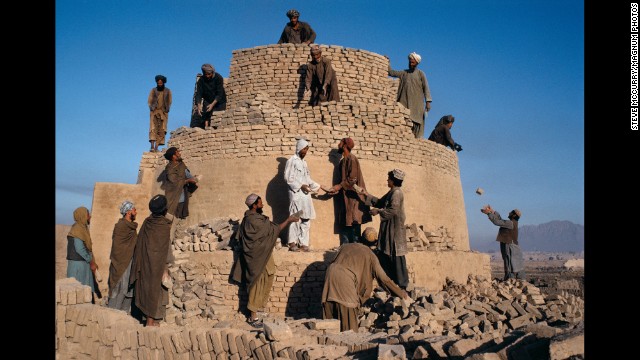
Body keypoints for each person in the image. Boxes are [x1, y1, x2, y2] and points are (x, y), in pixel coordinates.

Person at [321, 230, 412, 332]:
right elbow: (383, 279)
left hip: (329, 277)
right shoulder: (370, 255)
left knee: (329, 328)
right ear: (374, 244)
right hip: (346, 283)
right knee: (349, 332)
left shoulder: (345, 246)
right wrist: (400, 293)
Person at [231, 194, 300, 327]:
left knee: (270, 273)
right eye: (260, 203)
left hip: (264, 253)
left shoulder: (255, 219)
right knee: (257, 282)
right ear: (255, 205)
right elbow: (276, 229)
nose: (262, 205)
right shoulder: (253, 220)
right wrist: (289, 220)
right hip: (256, 257)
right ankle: (253, 316)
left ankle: (259, 308)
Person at [129, 195, 174, 327]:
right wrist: (165, 267)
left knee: (147, 291)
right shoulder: (164, 226)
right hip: (157, 267)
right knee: (155, 294)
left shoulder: (147, 223)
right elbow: (165, 250)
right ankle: (151, 324)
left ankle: (148, 321)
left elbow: (141, 244)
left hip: (146, 266)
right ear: (165, 210)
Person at [361, 169, 409, 289]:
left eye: (389, 179)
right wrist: (366, 194)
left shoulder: (397, 193)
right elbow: (380, 202)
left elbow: (393, 210)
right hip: (389, 228)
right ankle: (391, 283)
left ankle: (402, 285)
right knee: (387, 253)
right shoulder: (392, 192)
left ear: (393, 181)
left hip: (395, 229)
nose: (387, 180)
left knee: (397, 254)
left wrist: (378, 211)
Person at [284, 138, 326, 252]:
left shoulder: (304, 163)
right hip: (296, 194)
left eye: (307, 149)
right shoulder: (291, 161)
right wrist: (301, 186)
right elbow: (288, 179)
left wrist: (320, 186)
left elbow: (307, 179)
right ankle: (292, 243)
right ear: (299, 148)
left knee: (306, 218)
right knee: (295, 218)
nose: (305, 152)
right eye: (304, 149)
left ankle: (303, 243)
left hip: (305, 196)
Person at [328, 137, 371, 244]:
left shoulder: (352, 159)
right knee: (346, 222)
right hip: (346, 197)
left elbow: (352, 179)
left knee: (354, 222)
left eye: (340, 143)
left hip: (354, 197)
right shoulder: (343, 161)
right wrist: (337, 189)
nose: (338, 144)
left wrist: (338, 186)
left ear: (344, 146)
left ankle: (356, 250)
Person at [387, 52, 432, 138]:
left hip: (417, 106)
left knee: (416, 124)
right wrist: (387, 62)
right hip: (405, 103)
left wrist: (428, 102)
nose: (410, 64)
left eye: (412, 62)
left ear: (417, 63)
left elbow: (426, 87)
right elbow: (391, 72)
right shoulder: (404, 73)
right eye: (410, 62)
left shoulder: (420, 74)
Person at [107, 200, 138, 312]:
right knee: (119, 288)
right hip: (121, 263)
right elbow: (117, 247)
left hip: (129, 261)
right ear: (129, 212)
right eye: (134, 209)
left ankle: (123, 314)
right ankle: (113, 313)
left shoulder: (131, 227)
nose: (136, 212)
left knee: (127, 289)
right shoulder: (121, 226)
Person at [481, 205, 526, 281]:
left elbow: (496, 222)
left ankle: (510, 279)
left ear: (514, 215)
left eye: (511, 212)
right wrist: (493, 211)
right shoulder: (512, 222)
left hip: (509, 244)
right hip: (510, 243)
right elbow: (500, 220)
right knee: (513, 261)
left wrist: (489, 213)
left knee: (508, 260)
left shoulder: (510, 223)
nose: (509, 212)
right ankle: (515, 278)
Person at [67, 206, 98, 295]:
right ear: (83, 216)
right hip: (78, 266)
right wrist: (91, 261)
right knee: (78, 292)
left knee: (83, 293)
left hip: (82, 264)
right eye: (88, 215)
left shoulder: (82, 228)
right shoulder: (78, 229)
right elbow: (80, 249)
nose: (90, 217)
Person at [163, 147, 198, 220]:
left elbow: (187, 174)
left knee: (181, 221)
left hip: (183, 197)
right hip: (174, 198)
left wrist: (193, 178)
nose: (180, 154)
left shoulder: (181, 164)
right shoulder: (169, 168)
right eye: (177, 152)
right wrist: (187, 181)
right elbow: (174, 181)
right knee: (173, 220)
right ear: (173, 156)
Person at [193, 63, 227, 129]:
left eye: (209, 74)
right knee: (206, 115)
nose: (207, 76)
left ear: (212, 72)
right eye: (206, 74)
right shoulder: (201, 81)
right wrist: (199, 105)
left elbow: (219, 94)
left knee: (218, 117)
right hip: (208, 99)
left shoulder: (218, 78)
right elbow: (199, 94)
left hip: (219, 101)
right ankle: (206, 128)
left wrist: (212, 105)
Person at [147, 75, 172, 152]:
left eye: (161, 83)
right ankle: (152, 147)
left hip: (163, 113)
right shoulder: (153, 90)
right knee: (153, 128)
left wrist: (167, 109)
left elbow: (169, 101)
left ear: (163, 83)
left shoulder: (168, 91)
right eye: (158, 83)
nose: (160, 84)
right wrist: (151, 108)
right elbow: (149, 100)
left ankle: (156, 147)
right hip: (154, 112)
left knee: (161, 130)